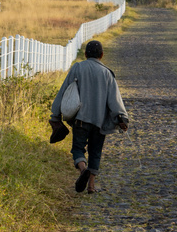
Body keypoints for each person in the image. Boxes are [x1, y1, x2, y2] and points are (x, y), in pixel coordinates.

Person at [49, 39, 129, 194]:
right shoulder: (107, 73)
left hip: (81, 119)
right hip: (99, 121)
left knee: (78, 148)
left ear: (85, 54)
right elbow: (114, 100)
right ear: (102, 55)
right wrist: (122, 118)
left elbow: (64, 91)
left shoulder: (78, 67)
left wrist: (55, 114)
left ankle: (83, 169)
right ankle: (91, 186)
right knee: (95, 152)